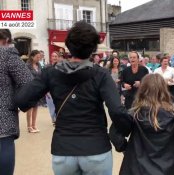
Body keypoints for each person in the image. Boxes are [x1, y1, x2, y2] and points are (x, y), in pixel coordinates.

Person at [15, 21, 132, 175]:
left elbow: (22, 100)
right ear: (93, 48)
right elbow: (117, 110)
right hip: (95, 147)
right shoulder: (101, 74)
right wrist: (126, 131)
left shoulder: (51, 73)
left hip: (63, 150)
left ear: (68, 45)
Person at [109, 74, 174, 175]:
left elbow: (115, 132)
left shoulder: (134, 114)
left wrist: (124, 148)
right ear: (164, 90)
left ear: (142, 90)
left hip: (135, 168)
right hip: (164, 169)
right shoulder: (172, 117)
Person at [0, 29, 32, 175]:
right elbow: (29, 83)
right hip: (3, 124)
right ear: (6, 41)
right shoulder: (6, 54)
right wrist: (18, 103)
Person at [26, 50, 42, 133]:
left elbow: (41, 75)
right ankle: (29, 126)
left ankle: (34, 125)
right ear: (32, 57)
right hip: (30, 88)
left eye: (39, 57)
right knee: (30, 107)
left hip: (37, 88)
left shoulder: (39, 65)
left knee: (36, 107)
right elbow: (26, 77)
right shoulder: (27, 65)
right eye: (37, 57)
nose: (39, 58)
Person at [46, 51, 62, 124]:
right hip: (49, 90)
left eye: (56, 56)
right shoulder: (48, 67)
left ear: (58, 58)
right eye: (53, 56)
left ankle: (57, 120)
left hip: (59, 89)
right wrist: (46, 91)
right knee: (51, 106)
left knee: (58, 105)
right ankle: (54, 119)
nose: (54, 58)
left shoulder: (61, 67)